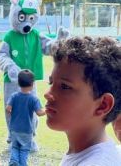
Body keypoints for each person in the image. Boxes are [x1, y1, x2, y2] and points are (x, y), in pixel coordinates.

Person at [44, 36, 121, 165]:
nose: (48, 94)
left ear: (103, 105)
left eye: (65, 87)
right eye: (51, 83)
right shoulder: (84, 153)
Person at [6, 70, 45, 166]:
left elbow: (8, 108)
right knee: (24, 150)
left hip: (14, 128)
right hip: (27, 130)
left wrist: (13, 113)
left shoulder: (14, 96)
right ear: (32, 84)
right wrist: (47, 109)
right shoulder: (33, 99)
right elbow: (39, 113)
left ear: (18, 83)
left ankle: (14, 161)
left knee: (15, 147)